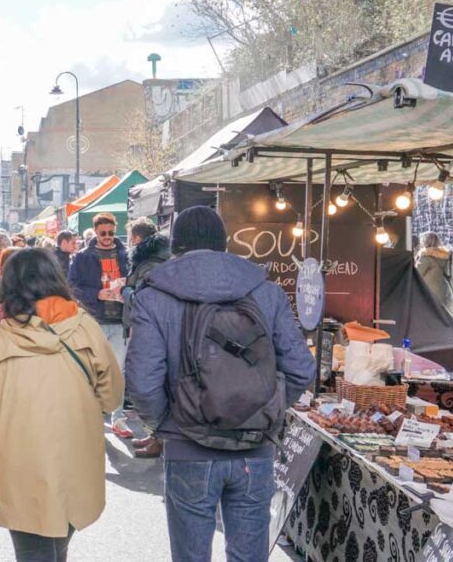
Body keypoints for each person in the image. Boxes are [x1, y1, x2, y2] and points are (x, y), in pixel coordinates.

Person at [126, 206, 316, 561]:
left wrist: (167, 423)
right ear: (225, 243)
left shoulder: (154, 296)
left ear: (175, 245)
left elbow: (141, 381)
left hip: (187, 446)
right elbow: (301, 369)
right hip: (254, 448)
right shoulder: (267, 291)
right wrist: (263, 407)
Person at [0, 248, 123, 561]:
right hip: (77, 458)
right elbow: (112, 396)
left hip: (21, 468)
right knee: (57, 546)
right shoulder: (85, 326)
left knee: (36, 550)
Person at [68, 212, 131, 437]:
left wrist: (127, 292)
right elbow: (72, 287)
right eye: (103, 233)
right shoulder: (83, 257)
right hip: (95, 320)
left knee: (117, 372)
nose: (107, 237)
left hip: (119, 321)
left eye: (111, 233)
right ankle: (93, 416)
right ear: (95, 232)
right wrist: (97, 294)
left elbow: (135, 282)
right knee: (93, 370)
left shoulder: (125, 255)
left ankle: (118, 418)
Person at [121, 217, 171, 459]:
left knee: (152, 385)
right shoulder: (156, 259)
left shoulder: (150, 263)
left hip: (152, 331)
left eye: (131, 237)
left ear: (138, 238)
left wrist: (125, 291)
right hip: (156, 329)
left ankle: (160, 437)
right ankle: (156, 435)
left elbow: (143, 300)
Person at [416, 232, 453, 309]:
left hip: (427, 295)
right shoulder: (443, 256)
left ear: (425, 242)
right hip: (440, 293)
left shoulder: (425, 257)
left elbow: (416, 274)